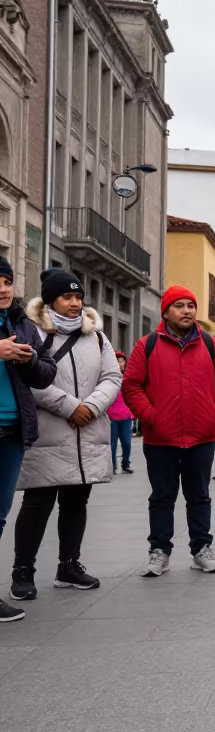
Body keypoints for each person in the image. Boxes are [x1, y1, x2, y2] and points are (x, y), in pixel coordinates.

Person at [9, 271, 121, 602]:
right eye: (66, 297)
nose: (75, 303)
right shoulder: (31, 332)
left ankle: (68, 565)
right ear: (50, 300)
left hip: (86, 432)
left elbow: (113, 377)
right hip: (49, 433)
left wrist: (92, 406)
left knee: (76, 502)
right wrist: (71, 407)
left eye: (78, 297)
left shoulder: (97, 337)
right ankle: (23, 571)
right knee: (38, 503)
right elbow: (27, 380)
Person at [122, 286, 215, 577]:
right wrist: (151, 416)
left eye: (190, 305)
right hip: (160, 438)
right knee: (162, 497)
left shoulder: (211, 344)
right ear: (166, 312)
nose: (186, 311)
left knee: (199, 496)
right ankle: (159, 551)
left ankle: (201, 549)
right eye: (179, 306)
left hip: (201, 437)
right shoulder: (146, 345)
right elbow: (132, 386)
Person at [0, 258, 57, 623]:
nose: (4, 288)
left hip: (12, 432)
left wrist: (28, 358)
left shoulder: (21, 323)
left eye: (7, 280)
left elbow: (46, 373)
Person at [108, 351, 134, 474]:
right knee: (112, 444)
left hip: (125, 416)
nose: (119, 363)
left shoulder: (128, 379)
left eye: (122, 361)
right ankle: (112, 466)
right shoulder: (108, 379)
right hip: (111, 417)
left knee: (127, 442)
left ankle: (126, 463)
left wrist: (132, 412)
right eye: (117, 361)